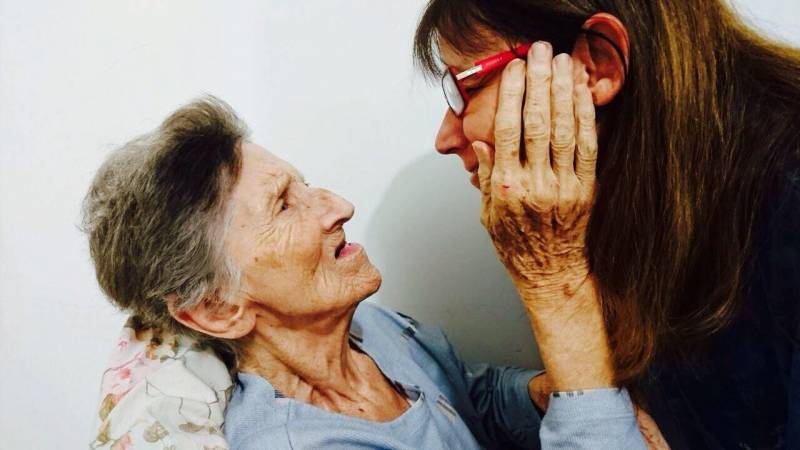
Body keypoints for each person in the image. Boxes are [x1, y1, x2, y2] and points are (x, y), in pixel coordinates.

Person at [84, 97, 652, 449]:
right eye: (285, 204)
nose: (338, 205)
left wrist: (549, 393)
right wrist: (559, 301)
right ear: (218, 308)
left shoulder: (373, 332)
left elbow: (469, 398)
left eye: (306, 183)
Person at [414, 0, 800, 448]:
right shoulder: (642, 194)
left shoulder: (786, 198)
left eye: (468, 86)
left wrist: (553, 281)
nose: (445, 138)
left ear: (595, 65)